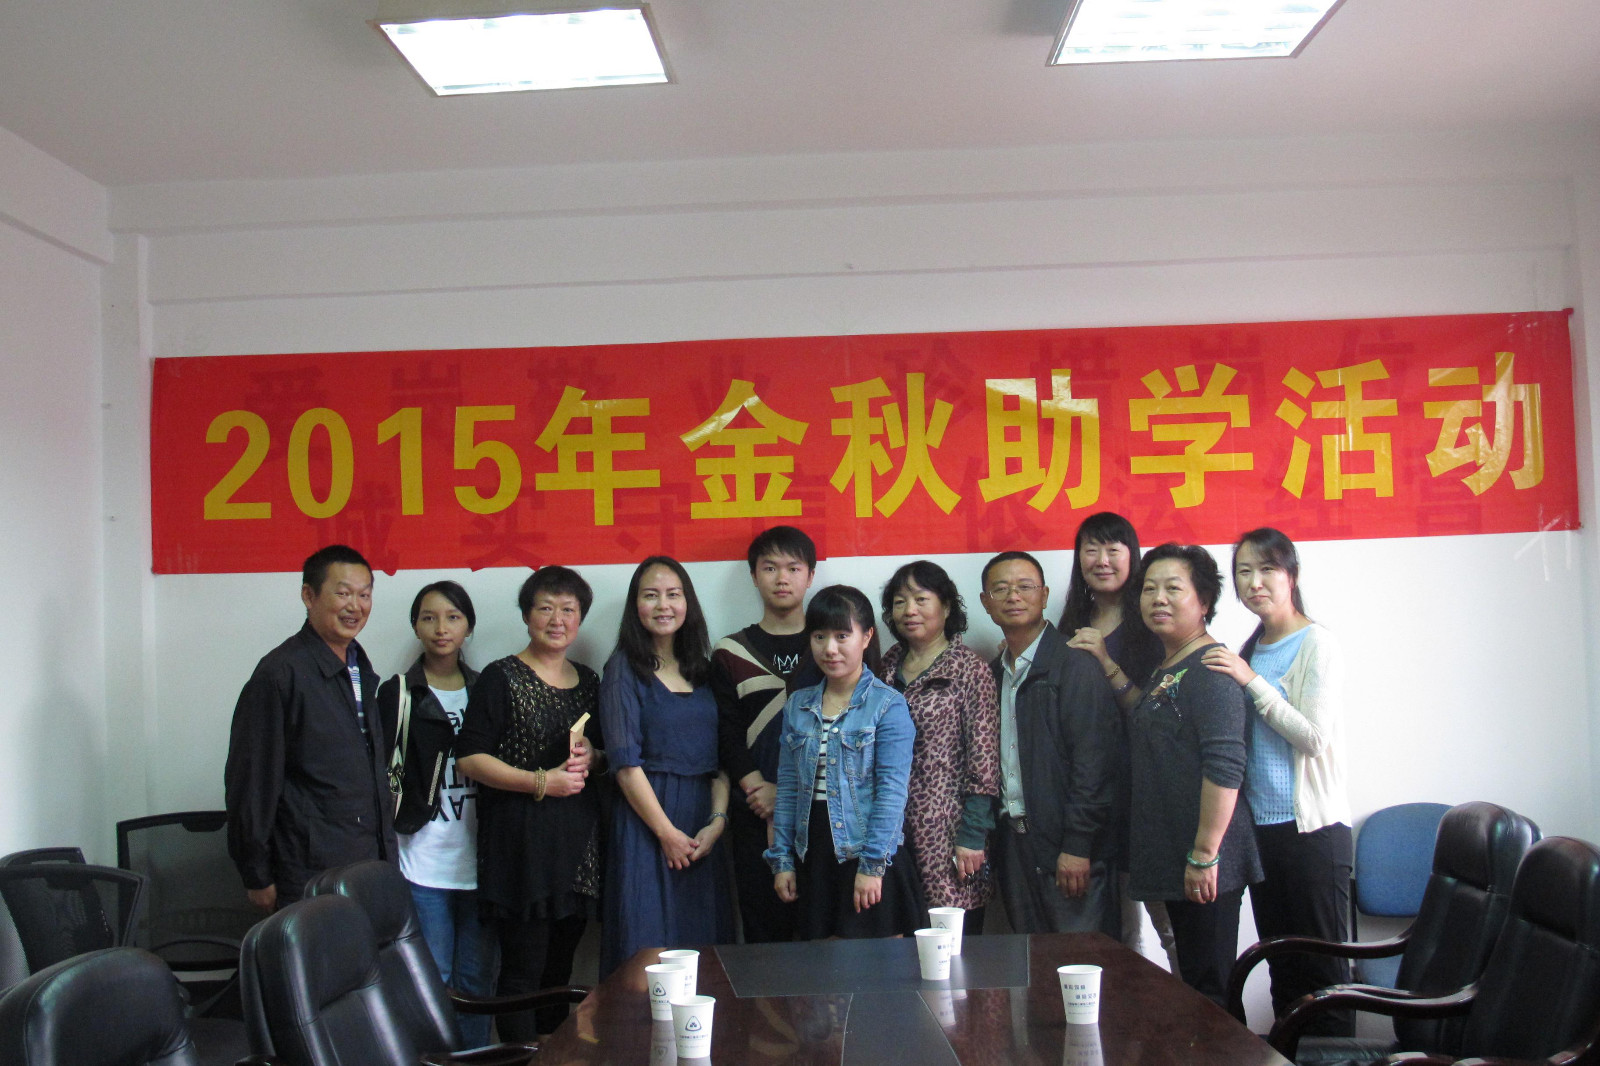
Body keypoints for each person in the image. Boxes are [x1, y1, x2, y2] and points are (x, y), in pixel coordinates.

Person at [1203, 528, 1353, 1034]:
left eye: (1267, 569)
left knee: (1323, 975)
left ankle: (1335, 1057)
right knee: (1282, 966)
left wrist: (1251, 681)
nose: (1255, 582)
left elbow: (1313, 737)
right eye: (1244, 572)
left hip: (1311, 834)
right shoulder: (1252, 647)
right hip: (1262, 834)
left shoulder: (1316, 643)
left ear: (1292, 575)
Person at [455, 566, 601, 1037]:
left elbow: (602, 755)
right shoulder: (501, 677)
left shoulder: (590, 681)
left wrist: (593, 755)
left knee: (560, 972)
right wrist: (541, 782)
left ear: (580, 618)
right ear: (526, 615)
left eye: (568, 610)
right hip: (520, 849)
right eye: (545, 608)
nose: (557, 619)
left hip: (577, 851)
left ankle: (554, 1057)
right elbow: (469, 758)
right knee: (522, 973)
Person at [1127, 543, 1263, 1007]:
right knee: (1196, 987)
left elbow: (1225, 765)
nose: (1158, 599)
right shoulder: (1171, 664)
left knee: (1211, 992)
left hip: (1207, 858)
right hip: (1179, 851)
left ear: (1204, 601)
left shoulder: (1211, 669)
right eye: (1149, 589)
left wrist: (1205, 854)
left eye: (1173, 588)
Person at [225, 544, 392, 911]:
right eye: (343, 593)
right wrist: (256, 872)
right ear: (308, 595)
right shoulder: (280, 674)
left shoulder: (359, 668)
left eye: (364, 595)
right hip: (307, 870)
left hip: (364, 861)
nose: (355, 606)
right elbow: (251, 780)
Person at [766, 585, 924, 939]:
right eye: (819, 636)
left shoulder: (888, 705)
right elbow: (788, 788)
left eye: (842, 636)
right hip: (814, 854)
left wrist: (872, 867)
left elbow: (892, 793)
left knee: (879, 966)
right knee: (824, 968)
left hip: (869, 849)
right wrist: (782, 859)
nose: (829, 648)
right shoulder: (797, 705)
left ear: (866, 637)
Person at [599, 556, 732, 976]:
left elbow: (721, 763)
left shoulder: (704, 671)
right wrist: (666, 833)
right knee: (646, 956)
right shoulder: (623, 669)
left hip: (703, 828)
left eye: (673, 595)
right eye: (651, 595)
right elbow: (625, 765)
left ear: (688, 603)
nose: (663, 605)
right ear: (635, 605)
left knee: (706, 959)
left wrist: (717, 822)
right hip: (647, 826)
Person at [1058, 512, 1179, 970]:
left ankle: (1196, 1013)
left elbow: (1155, 717)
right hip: (1094, 801)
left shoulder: (1154, 620)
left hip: (1148, 795)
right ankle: (1132, 1013)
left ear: (1133, 556)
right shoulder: (1071, 624)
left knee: (1172, 930)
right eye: (1091, 549)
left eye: (1113, 549)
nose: (1102, 560)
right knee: (1120, 934)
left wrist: (1106, 660)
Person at [978, 551, 1121, 937]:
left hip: (1067, 846)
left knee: (1083, 963)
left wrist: (1077, 844)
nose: (1013, 596)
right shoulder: (992, 674)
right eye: (1001, 589)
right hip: (1014, 845)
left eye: (1025, 586)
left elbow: (1094, 762)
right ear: (985, 602)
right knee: (1032, 962)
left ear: (1044, 595)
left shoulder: (1074, 665)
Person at [375, 581, 492, 1046]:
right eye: (428, 617)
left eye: (452, 617)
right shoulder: (399, 693)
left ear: (468, 627)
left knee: (477, 980)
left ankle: (476, 1058)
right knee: (431, 979)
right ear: (416, 626)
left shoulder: (487, 688)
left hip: (481, 861)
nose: (441, 628)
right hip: (422, 859)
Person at [711, 525, 821, 944]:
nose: (782, 578)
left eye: (793, 568)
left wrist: (787, 794)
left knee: (821, 934)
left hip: (822, 813)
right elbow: (726, 731)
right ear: (754, 576)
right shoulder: (730, 651)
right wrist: (760, 790)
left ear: (810, 576)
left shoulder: (830, 645)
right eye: (770, 567)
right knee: (764, 935)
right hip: (753, 814)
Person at [878, 560, 1000, 932]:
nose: (909, 610)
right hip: (890, 830)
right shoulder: (886, 665)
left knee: (952, 946)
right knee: (898, 940)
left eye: (921, 599)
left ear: (946, 607)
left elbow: (984, 760)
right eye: (900, 602)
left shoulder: (969, 669)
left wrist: (973, 836)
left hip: (949, 831)